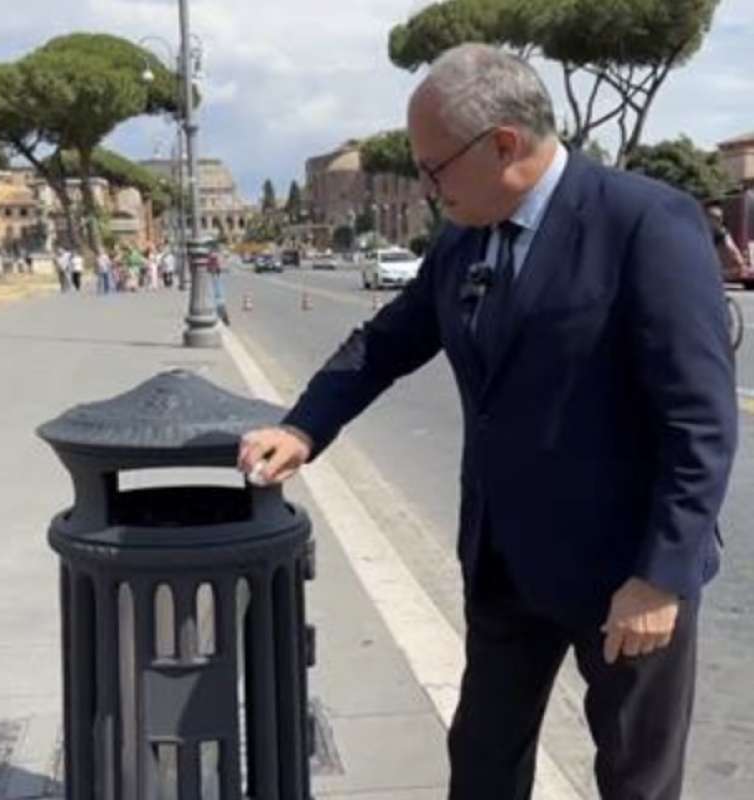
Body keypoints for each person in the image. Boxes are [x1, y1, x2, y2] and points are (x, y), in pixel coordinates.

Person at [237, 45, 737, 800]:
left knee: (636, 782)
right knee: (481, 761)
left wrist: (660, 577)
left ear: (504, 144)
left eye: (434, 169)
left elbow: (699, 421)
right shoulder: (467, 234)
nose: (428, 188)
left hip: (624, 577)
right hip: (506, 565)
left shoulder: (645, 223)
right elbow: (386, 342)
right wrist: (305, 427)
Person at [705, 202, 747, 282]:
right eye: (718, 218)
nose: (720, 220)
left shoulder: (697, 227)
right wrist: (741, 264)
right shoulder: (720, 231)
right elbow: (731, 248)